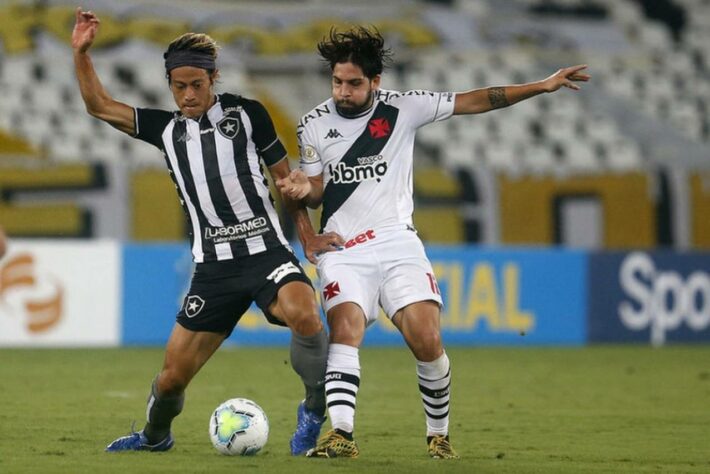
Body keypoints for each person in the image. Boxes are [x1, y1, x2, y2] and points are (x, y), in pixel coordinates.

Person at [277, 27, 590, 459]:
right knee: (345, 328)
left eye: (353, 83)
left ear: (374, 82)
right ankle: (341, 435)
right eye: (337, 82)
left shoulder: (405, 108)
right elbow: (316, 189)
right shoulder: (313, 124)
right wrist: (300, 192)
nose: (343, 92)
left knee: (427, 339)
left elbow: (477, 100)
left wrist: (542, 84)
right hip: (344, 250)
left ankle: (438, 435)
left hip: (397, 241)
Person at [71, 8, 344, 455]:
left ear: (213, 77)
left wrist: (307, 236)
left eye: (197, 85)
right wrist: (81, 54)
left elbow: (286, 182)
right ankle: (155, 436)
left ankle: (313, 410)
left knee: (307, 315)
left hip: (267, 255)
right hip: (213, 270)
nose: (188, 94)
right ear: (170, 86)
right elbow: (98, 106)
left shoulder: (248, 114)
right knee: (172, 376)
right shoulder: (165, 130)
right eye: (179, 87)